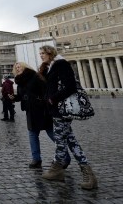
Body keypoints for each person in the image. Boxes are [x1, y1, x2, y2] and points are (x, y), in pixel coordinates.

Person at [39, 45, 97, 190]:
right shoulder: (52, 66)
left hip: (61, 109)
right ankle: (85, 172)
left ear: (51, 53)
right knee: (70, 140)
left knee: (60, 140)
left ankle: (58, 168)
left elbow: (70, 86)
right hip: (57, 109)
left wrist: (53, 99)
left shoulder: (61, 64)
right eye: (40, 53)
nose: (41, 56)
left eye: (43, 53)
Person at [11, 61, 70, 169]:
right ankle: (36, 159)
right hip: (30, 110)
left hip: (41, 109)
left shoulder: (35, 77)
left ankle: (65, 157)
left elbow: (45, 90)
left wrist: (44, 102)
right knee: (32, 134)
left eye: (19, 66)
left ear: (25, 67)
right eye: (16, 67)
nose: (18, 68)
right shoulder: (19, 81)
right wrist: (14, 98)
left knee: (51, 132)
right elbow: (22, 95)